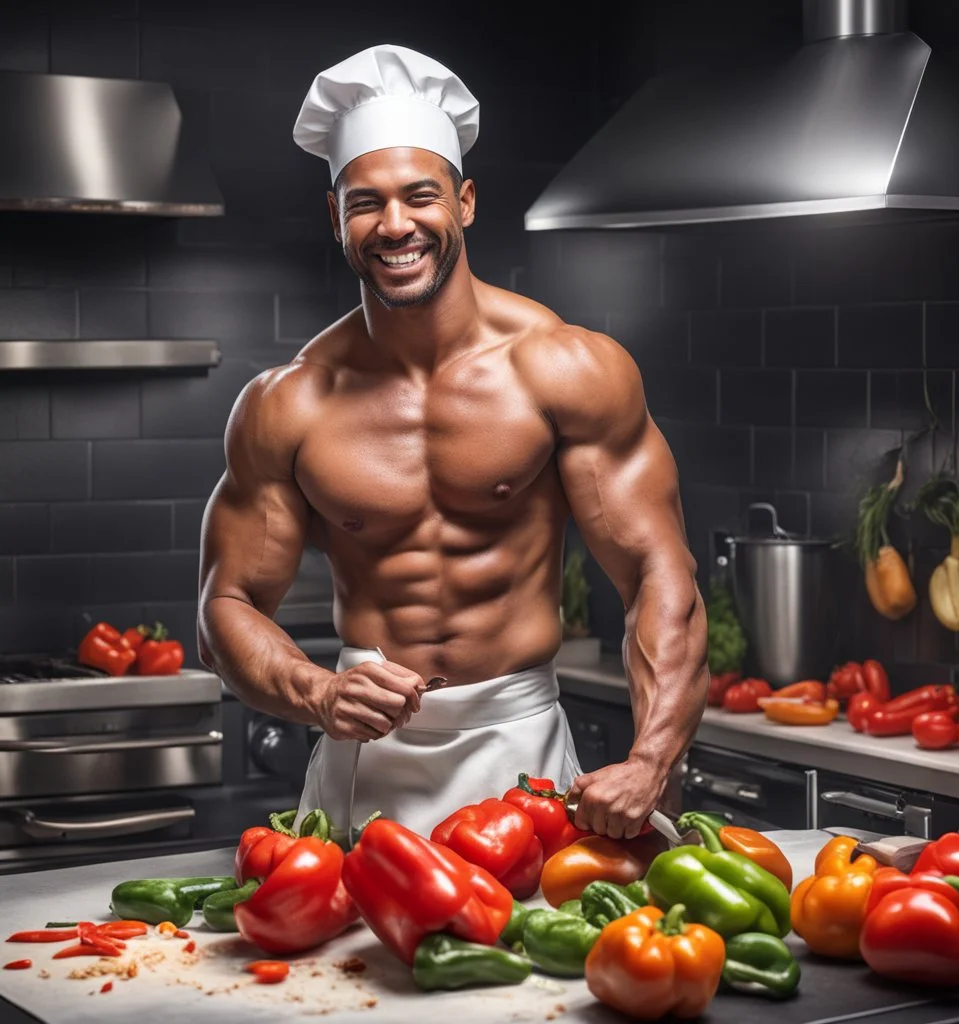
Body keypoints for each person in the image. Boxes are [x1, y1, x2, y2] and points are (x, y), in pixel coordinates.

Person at [197, 43, 708, 843]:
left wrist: (653, 760)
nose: (395, 224)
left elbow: (657, 572)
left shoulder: (566, 369)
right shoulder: (286, 403)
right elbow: (226, 604)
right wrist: (314, 690)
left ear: (464, 203)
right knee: (342, 970)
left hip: (522, 752)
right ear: (335, 217)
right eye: (365, 201)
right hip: (362, 763)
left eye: (419, 196)